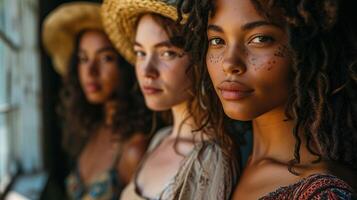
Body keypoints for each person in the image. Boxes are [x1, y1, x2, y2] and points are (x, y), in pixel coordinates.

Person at [178, 0, 357, 199]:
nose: (229, 63)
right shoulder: (218, 162)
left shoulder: (322, 194)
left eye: (260, 39)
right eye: (217, 41)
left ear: (307, 47)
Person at [101, 0, 240, 199]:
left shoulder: (209, 158)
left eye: (167, 53)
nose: (147, 71)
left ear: (200, 59)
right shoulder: (160, 138)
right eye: (140, 53)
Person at [42, 2, 152, 199]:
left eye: (105, 58)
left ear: (125, 64)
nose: (90, 71)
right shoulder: (90, 129)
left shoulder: (134, 149)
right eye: (83, 59)